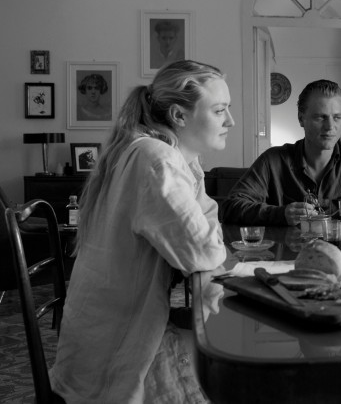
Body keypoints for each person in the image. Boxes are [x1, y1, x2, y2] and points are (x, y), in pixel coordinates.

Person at [50, 60, 233, 402]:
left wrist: (193, 166)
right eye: (220, 110)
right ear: (179, 116)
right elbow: (205, 251)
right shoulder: (156, 159)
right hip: (114, 356)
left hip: (100, 334)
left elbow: (204, 232)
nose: (230, 121)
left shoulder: (155, 152)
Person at [219, 79, 341, 226]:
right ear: (301, 119)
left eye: (337, 117)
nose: (330, 126)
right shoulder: (273, 160)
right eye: (320, 117)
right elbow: (230, 207)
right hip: (290, 253)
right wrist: (281, 214)